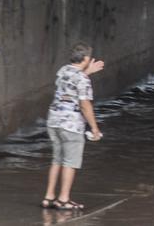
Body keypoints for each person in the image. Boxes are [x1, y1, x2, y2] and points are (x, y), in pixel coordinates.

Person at [41, 42, 104, 210]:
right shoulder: (83, 79)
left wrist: (87, 71)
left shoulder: (63, 70)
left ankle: (48, 197)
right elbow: (85, 105)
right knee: (70, 162)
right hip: (71, 125)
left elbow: (71, 82)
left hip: (54, 121)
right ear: (86, 58)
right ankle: (63, 199)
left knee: (57, 160)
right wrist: (95, 128)